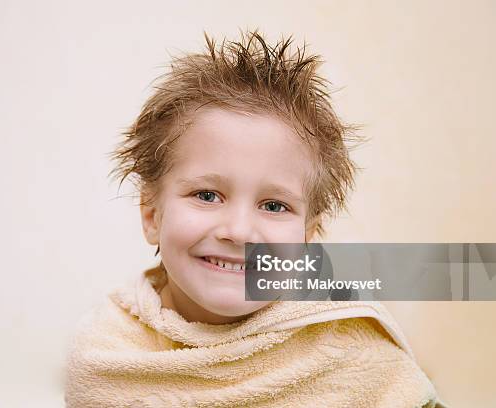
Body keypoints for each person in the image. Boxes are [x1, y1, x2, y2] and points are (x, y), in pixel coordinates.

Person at [65, 30, 445, 407]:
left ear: (307, 237)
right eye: (207, 195)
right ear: (151, 215)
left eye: (274, 206)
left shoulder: (350, 355)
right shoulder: (111, 355)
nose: (239, 232)